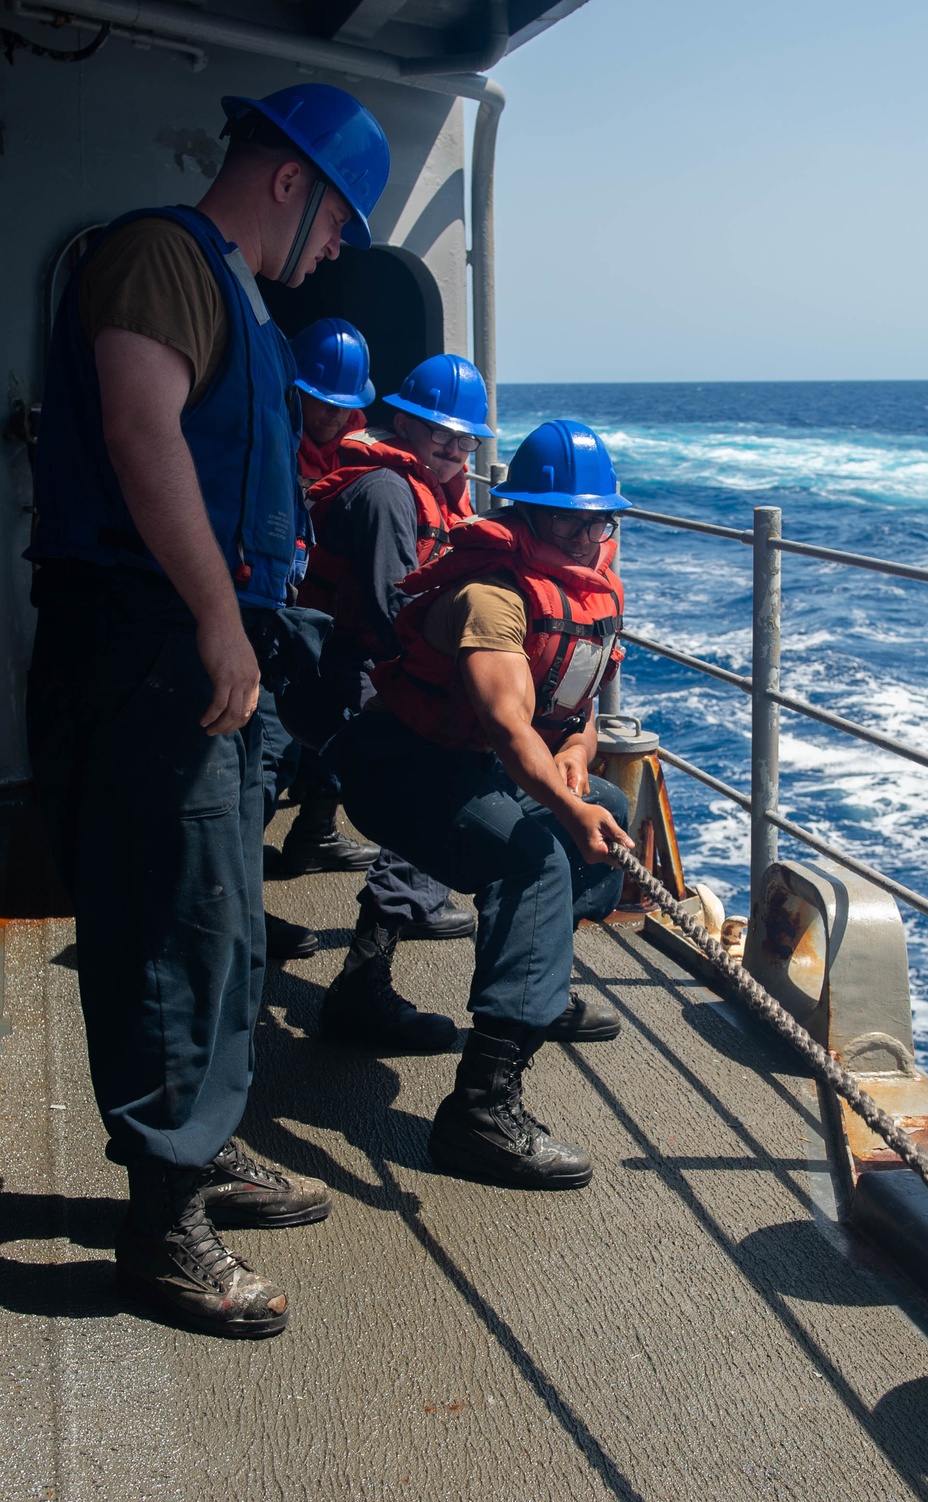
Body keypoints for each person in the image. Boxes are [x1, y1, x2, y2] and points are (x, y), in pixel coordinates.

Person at [24, 83, 390, 1337]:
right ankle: (160, 1220)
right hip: (149, 648)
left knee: (224, 920)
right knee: (168, 929)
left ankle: (204, 1141)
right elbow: (142, 428)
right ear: (290, 182)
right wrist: (220, 617)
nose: (337, 251)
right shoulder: (160, 255)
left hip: (200, 654)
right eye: (339, 220)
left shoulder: (239, 292)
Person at [330, 420, 635, 1188]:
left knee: (604, 806)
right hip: (404, 767)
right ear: (526, 515)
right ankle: (481, 1111)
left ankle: (540, 981)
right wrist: (561, 808)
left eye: (596, 519)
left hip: (474, 766)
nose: (583, 533)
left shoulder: (579, 592)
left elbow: (577, 704)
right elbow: (504, 723)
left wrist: (576, 756)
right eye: (565, 516)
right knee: (531, 855)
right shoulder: (492, 596)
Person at [298, 355, 492, 1053]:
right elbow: (388, 610)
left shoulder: (432, 491)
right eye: (439, 433)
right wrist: (448, 686)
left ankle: (415, 900)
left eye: (464, 440)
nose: (452, 449)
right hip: (338, 670)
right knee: (436, 772)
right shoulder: (385, 491)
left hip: (367, 662)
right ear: (402, 421)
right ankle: (364, 980)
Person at [259, 317, 379, 964]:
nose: (333, 419)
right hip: (270, 619)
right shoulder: (268, 442)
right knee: (260, 760)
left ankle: (315, 833)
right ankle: (236, 911)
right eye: (321, 403)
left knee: (345, 708)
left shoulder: (357, 453)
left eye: (345, 407)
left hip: (325, 616)